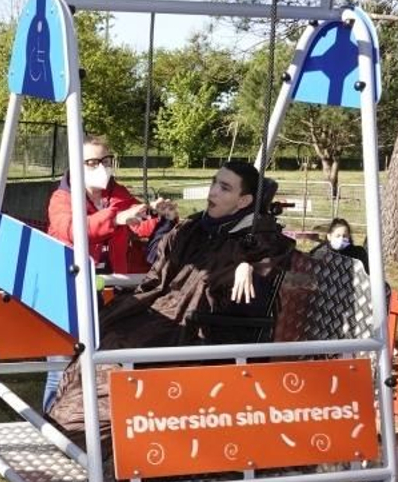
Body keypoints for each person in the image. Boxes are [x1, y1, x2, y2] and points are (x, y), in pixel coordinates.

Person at [47, 160, 294, 437]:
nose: (212, 192)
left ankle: (91, 436)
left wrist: (250, 264)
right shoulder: (198, 227)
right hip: (165, 315)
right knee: (105, 337)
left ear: (244, 200)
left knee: (119, 357)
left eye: (224, 188)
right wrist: (164, 224)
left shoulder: (260, 241)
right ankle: (70, 427)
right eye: (214, 182)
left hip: (197, 334)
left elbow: (254, 286)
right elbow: (160, 260)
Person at [45, 134, 171, 274]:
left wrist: (159, 215)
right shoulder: (61, 199)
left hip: (115, 278)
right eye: (92, 163)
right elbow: (73, 230)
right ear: (76, 166)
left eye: (105, 162)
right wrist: (114, 219)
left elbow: (138, 223)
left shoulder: (119, 193)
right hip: (73, 278)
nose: (101, 168)